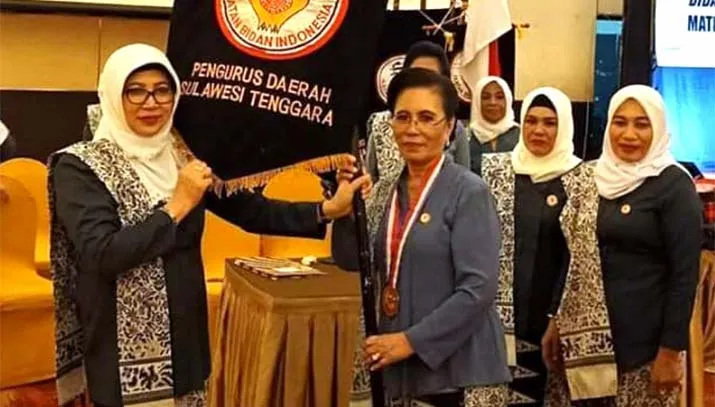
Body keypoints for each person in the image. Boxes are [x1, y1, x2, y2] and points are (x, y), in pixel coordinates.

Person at [49, 43, 370, 407]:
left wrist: (327, 209)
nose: (151, 103)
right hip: (118, 352)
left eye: (162, 90)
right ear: (111, 95)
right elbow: (102, 253)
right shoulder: (80, 166)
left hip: (187, 343)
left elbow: (251, 212)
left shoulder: (183, 154)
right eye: (135, 91)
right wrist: (176, 207)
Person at [334, 68, 510, 407]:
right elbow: (351, 261)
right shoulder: (385, 189)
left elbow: (478, 289)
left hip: (460, 374)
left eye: (426, 118)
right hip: (401, 368)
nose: (412, 129)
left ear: (449, 128)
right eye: (403, 117)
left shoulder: (469, 192)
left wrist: (410, 341)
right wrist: (345, 212)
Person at [481, 87, 617, 406]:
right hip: (497, 317)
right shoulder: (496, 172)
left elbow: (579, 256)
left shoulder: (581, 179)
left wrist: (557, 315)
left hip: (552, 318)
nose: (538, 130)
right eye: (531, 121)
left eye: (550, 122)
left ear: (565, 126)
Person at [594, 85, 702, 406]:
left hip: (645, 350)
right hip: (589, 345)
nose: (629, 134)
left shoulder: (674, 185)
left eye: (642, 124)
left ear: (658, 128)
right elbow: (575, 255)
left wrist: (670, 350)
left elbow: (685, 276)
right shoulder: (593, 177)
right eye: (620, 122)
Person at [366, 41, 470, 183]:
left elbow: (464, 180)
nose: (421, 83)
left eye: (430, 77)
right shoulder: (382, 124)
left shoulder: (454, 127)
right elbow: (371, 180)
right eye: (415, 75)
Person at [468, 76, 519, 175]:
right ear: (477, 101)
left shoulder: (522, 136)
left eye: (499, 97)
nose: (493, 102)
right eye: (485, 97)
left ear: (508, 100)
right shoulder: (465, 137)